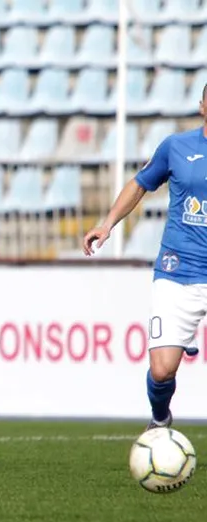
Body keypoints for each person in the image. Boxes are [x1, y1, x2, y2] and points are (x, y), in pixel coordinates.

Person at [83, 82, 207, 430]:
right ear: (202, 106)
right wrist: (107, 224)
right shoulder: (177, 147)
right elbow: (140, 183)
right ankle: (160, 418)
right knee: (162, 370)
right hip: (178, 269)